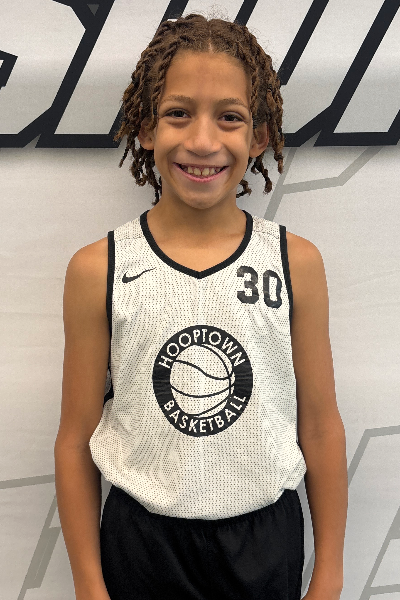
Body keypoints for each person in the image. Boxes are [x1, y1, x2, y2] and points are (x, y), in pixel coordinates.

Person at [54, 13, 348, 600]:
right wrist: (88, 583)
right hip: (143, 541)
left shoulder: (295, 262)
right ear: (145, 127)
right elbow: (75, 438)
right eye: (178, 113)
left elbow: (319, 425)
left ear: (258, 137)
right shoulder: (97, 268)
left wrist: (330, 574)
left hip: (263, 540)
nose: (203, 141)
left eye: (229, 117)